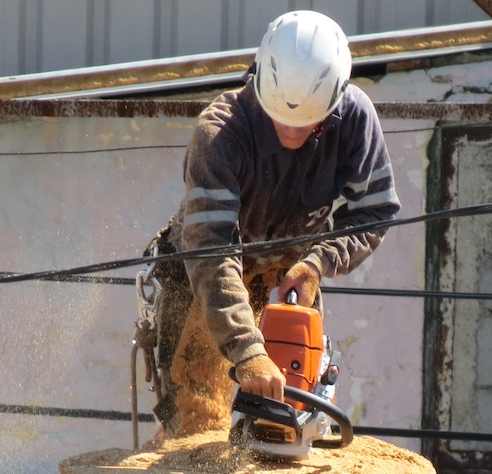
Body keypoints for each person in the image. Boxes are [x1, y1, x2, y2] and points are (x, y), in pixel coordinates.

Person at [145, 9, 401, 438]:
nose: (292, 132)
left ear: (336, 98)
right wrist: (247, 354)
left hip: (290, 270)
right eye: (281, 118)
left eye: (307, 124)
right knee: (192, 422)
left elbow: (373, 211)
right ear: (260, 81)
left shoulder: (355, 118)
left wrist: (318, 263)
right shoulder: (220, 133)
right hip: (203, 270)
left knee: (288, 417)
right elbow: (212, 251)